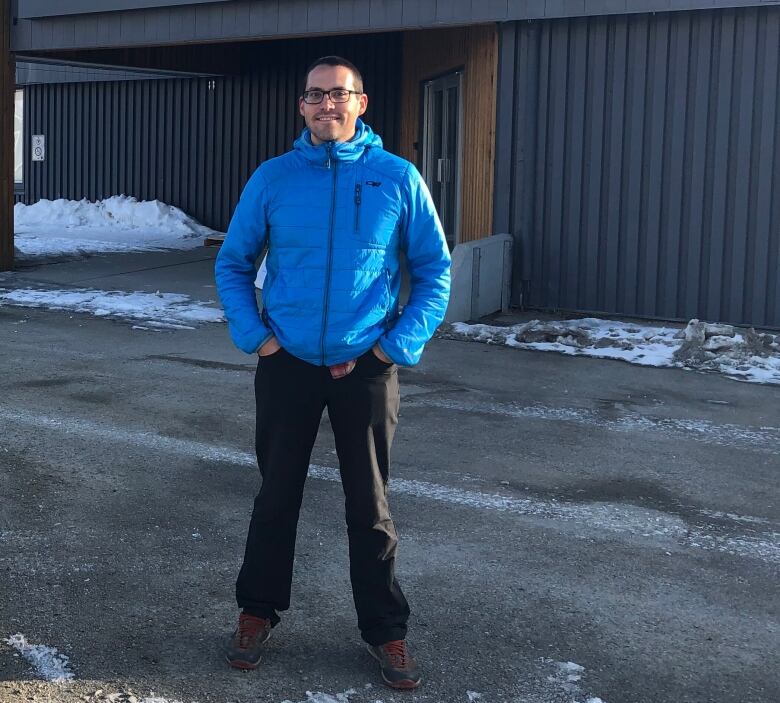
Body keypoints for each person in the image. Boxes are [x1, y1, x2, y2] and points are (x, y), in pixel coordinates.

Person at [214, 55, 451, 690]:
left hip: (365, 367)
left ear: (361, 103)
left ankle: (386, 631)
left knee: (369, 506)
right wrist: (258, 340)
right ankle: (256, 614)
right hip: (287, 362)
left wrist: (390, 350)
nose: (327, 106)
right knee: (275, 497)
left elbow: (434, 272)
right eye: (315, 97)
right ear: (302, 107)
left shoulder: (396, 179)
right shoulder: (272, 179)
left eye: (338, 96)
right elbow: (233, 263)